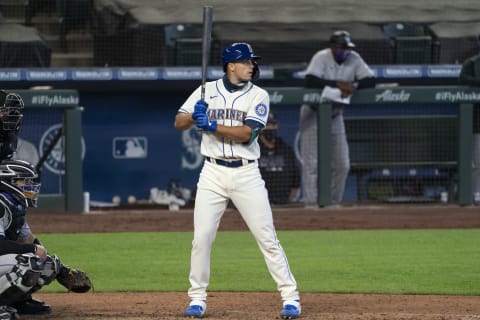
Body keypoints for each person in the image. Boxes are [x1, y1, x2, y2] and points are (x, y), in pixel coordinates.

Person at [174, 42, 301, 319]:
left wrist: (209, 124)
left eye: (252, 62)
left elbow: (247, 134)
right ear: (231, 65)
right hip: (212, 173)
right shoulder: (207, 90)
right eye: (246, 62)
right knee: (201, 239)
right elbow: (178, 122)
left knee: (267, 238)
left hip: (246, 173)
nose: (251, 66)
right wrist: (194, 115)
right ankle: (197, 299)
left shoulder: (259, 95)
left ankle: (290, 297)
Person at [0, 159, 92, 319]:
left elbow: (28, 240)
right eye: (25, 181)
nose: (30, 186)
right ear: (10, 182)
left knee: (48, 264)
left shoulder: (15, 206)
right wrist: (33, 251)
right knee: (28, 262)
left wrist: (60, 269)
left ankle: (18, 302)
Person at [299, 30, 375, 208]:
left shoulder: (354, 58)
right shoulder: (322, 57)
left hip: (335, 114)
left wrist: (354, 85)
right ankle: (311, 204)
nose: (345, 52)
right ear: (332, 47)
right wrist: (337, 84)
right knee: (311, 163)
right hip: (313, 113)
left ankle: (332, 202)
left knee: (343, 164)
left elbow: (370, 80)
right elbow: (310, 81)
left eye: (347, 48)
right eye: (341, 48)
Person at [258, 112, 300, 205]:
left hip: (283, 202)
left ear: (277, 126)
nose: (270, 128)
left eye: (273, 124)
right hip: (259, 202)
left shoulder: (285, 148)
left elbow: (296, 178)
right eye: (267, 125)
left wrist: (291, 199)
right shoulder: (253, 149)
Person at [459, 34, 480, 203]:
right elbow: (463, 79)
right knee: (476, 163)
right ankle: (475, 195)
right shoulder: (471, 63)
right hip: (476, 121)